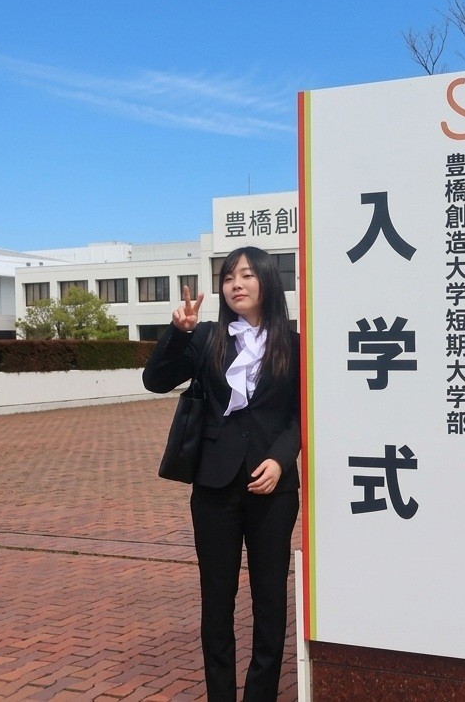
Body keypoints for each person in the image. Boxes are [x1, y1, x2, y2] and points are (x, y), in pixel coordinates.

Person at [143, 246, 300, 702]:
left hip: (273, 488)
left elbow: (301, 412)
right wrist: (178, 333)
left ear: (267, 281)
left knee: (270, 599)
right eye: (229, 277)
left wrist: (281, 458)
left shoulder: (293, 343)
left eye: (247, 275)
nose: (236, 284)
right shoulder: (208, 337)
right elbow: (155, 380)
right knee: (217, 600)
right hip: (213, 486)